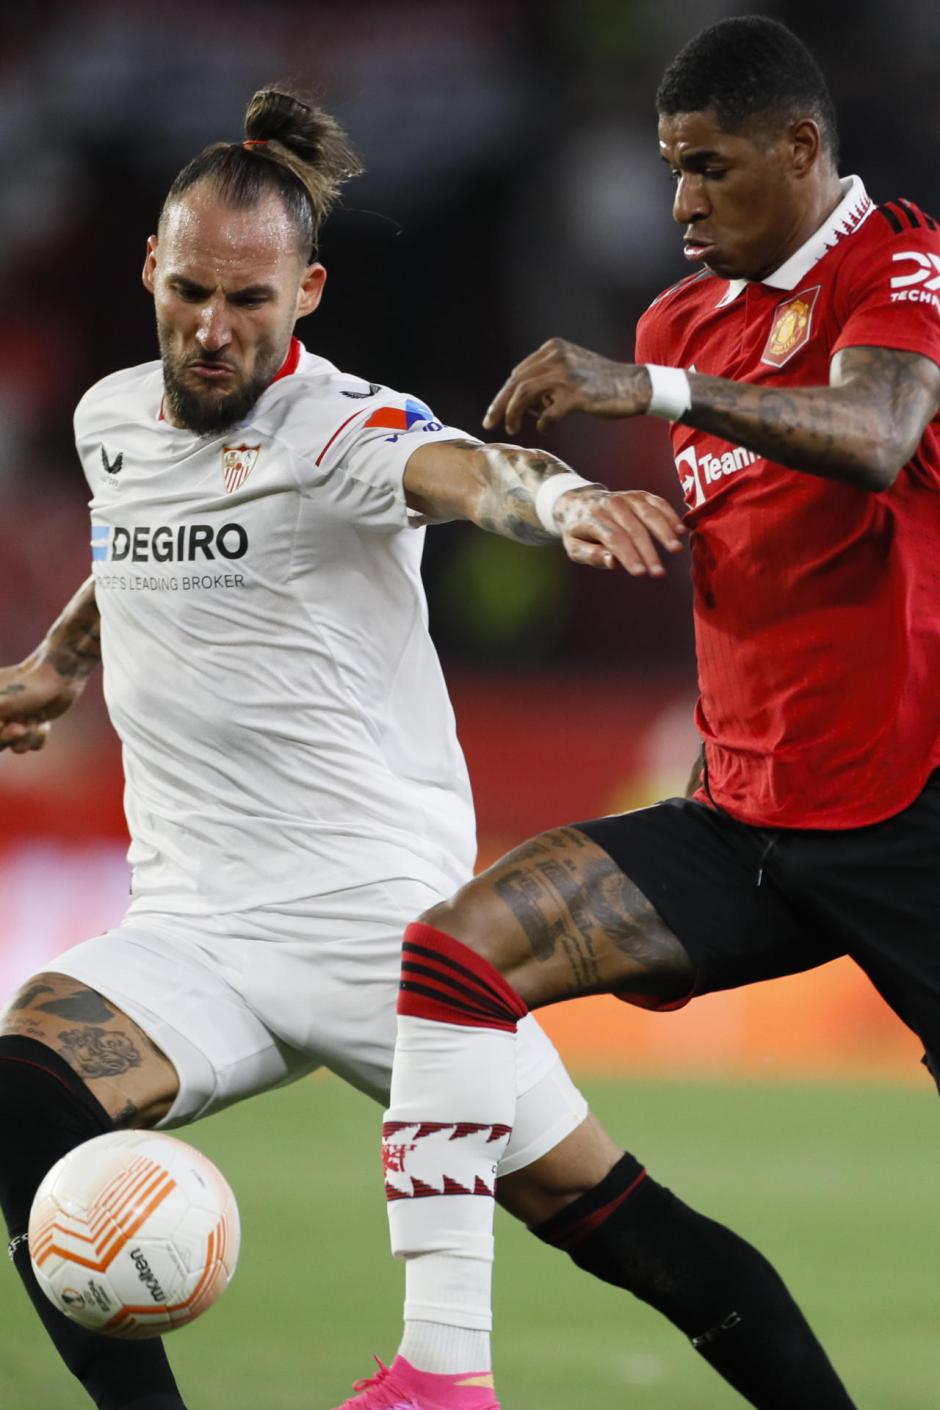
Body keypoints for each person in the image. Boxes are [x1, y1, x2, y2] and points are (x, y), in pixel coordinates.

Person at [0, 80, 855, 1410]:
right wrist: (61, 657)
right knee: (23, 1092)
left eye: (251, 302)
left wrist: (561, 497)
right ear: (150, 270)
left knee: (624, 1231)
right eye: (191, 296)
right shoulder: (115, 420)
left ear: (310, 294)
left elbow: (463, 469)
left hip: (381, 931)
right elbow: (143, 543)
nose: (215, 330)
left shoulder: (336, 425)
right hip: (192, 928)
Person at [341, 13, 940, 1410]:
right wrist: (583, 508)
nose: (677, 202)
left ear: (800, 148)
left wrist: (651, 390)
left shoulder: (897, 259)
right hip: (747, 821)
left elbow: (878, 438)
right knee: (452, 953)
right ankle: (444, 1375)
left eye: (708, 168)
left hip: (915, 810)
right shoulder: (682, 315)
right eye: (669, 166)